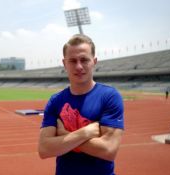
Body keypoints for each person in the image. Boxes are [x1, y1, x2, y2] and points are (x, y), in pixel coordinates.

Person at [38, 34, 124, 175]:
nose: (79, 66)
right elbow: (44, 149)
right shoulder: (55, 101)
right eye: (72, 61)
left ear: (94, 62)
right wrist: (85, 133)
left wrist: (65, 135)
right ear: (64, 63)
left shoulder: (109, 97)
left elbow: (108, 150)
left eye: (84, 60)